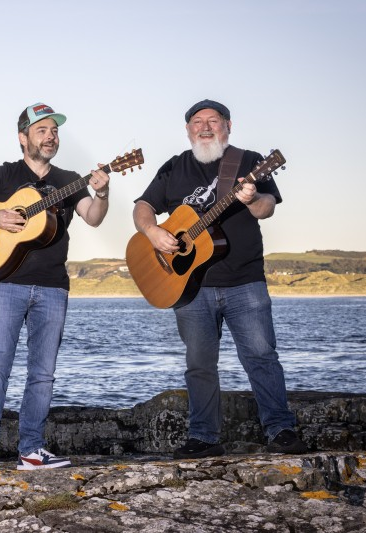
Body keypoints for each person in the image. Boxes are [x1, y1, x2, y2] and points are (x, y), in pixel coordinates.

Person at [132, 99, 308, 458]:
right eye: (198, 121)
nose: (206, 127)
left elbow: (266, 208)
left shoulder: (248, 162)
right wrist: (151, 232)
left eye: (214, 120)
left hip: (245, 281)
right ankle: (204, 437)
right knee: (199, 364)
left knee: (261, 356)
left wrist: (251, 196)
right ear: (188, 129)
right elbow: (143, 206)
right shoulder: (174, 166)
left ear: (229, 126)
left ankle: (281, 430)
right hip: (190, 286)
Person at [0, 102, 111, 471]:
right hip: (6, 283)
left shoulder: (69, 179)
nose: (50, 136)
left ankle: (32, 451)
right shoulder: (1, 176)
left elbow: (94, 219)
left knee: (43, 373)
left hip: (53, 287)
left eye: (54, 130)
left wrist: (101, 193)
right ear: (23, 138)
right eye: (42, 130)